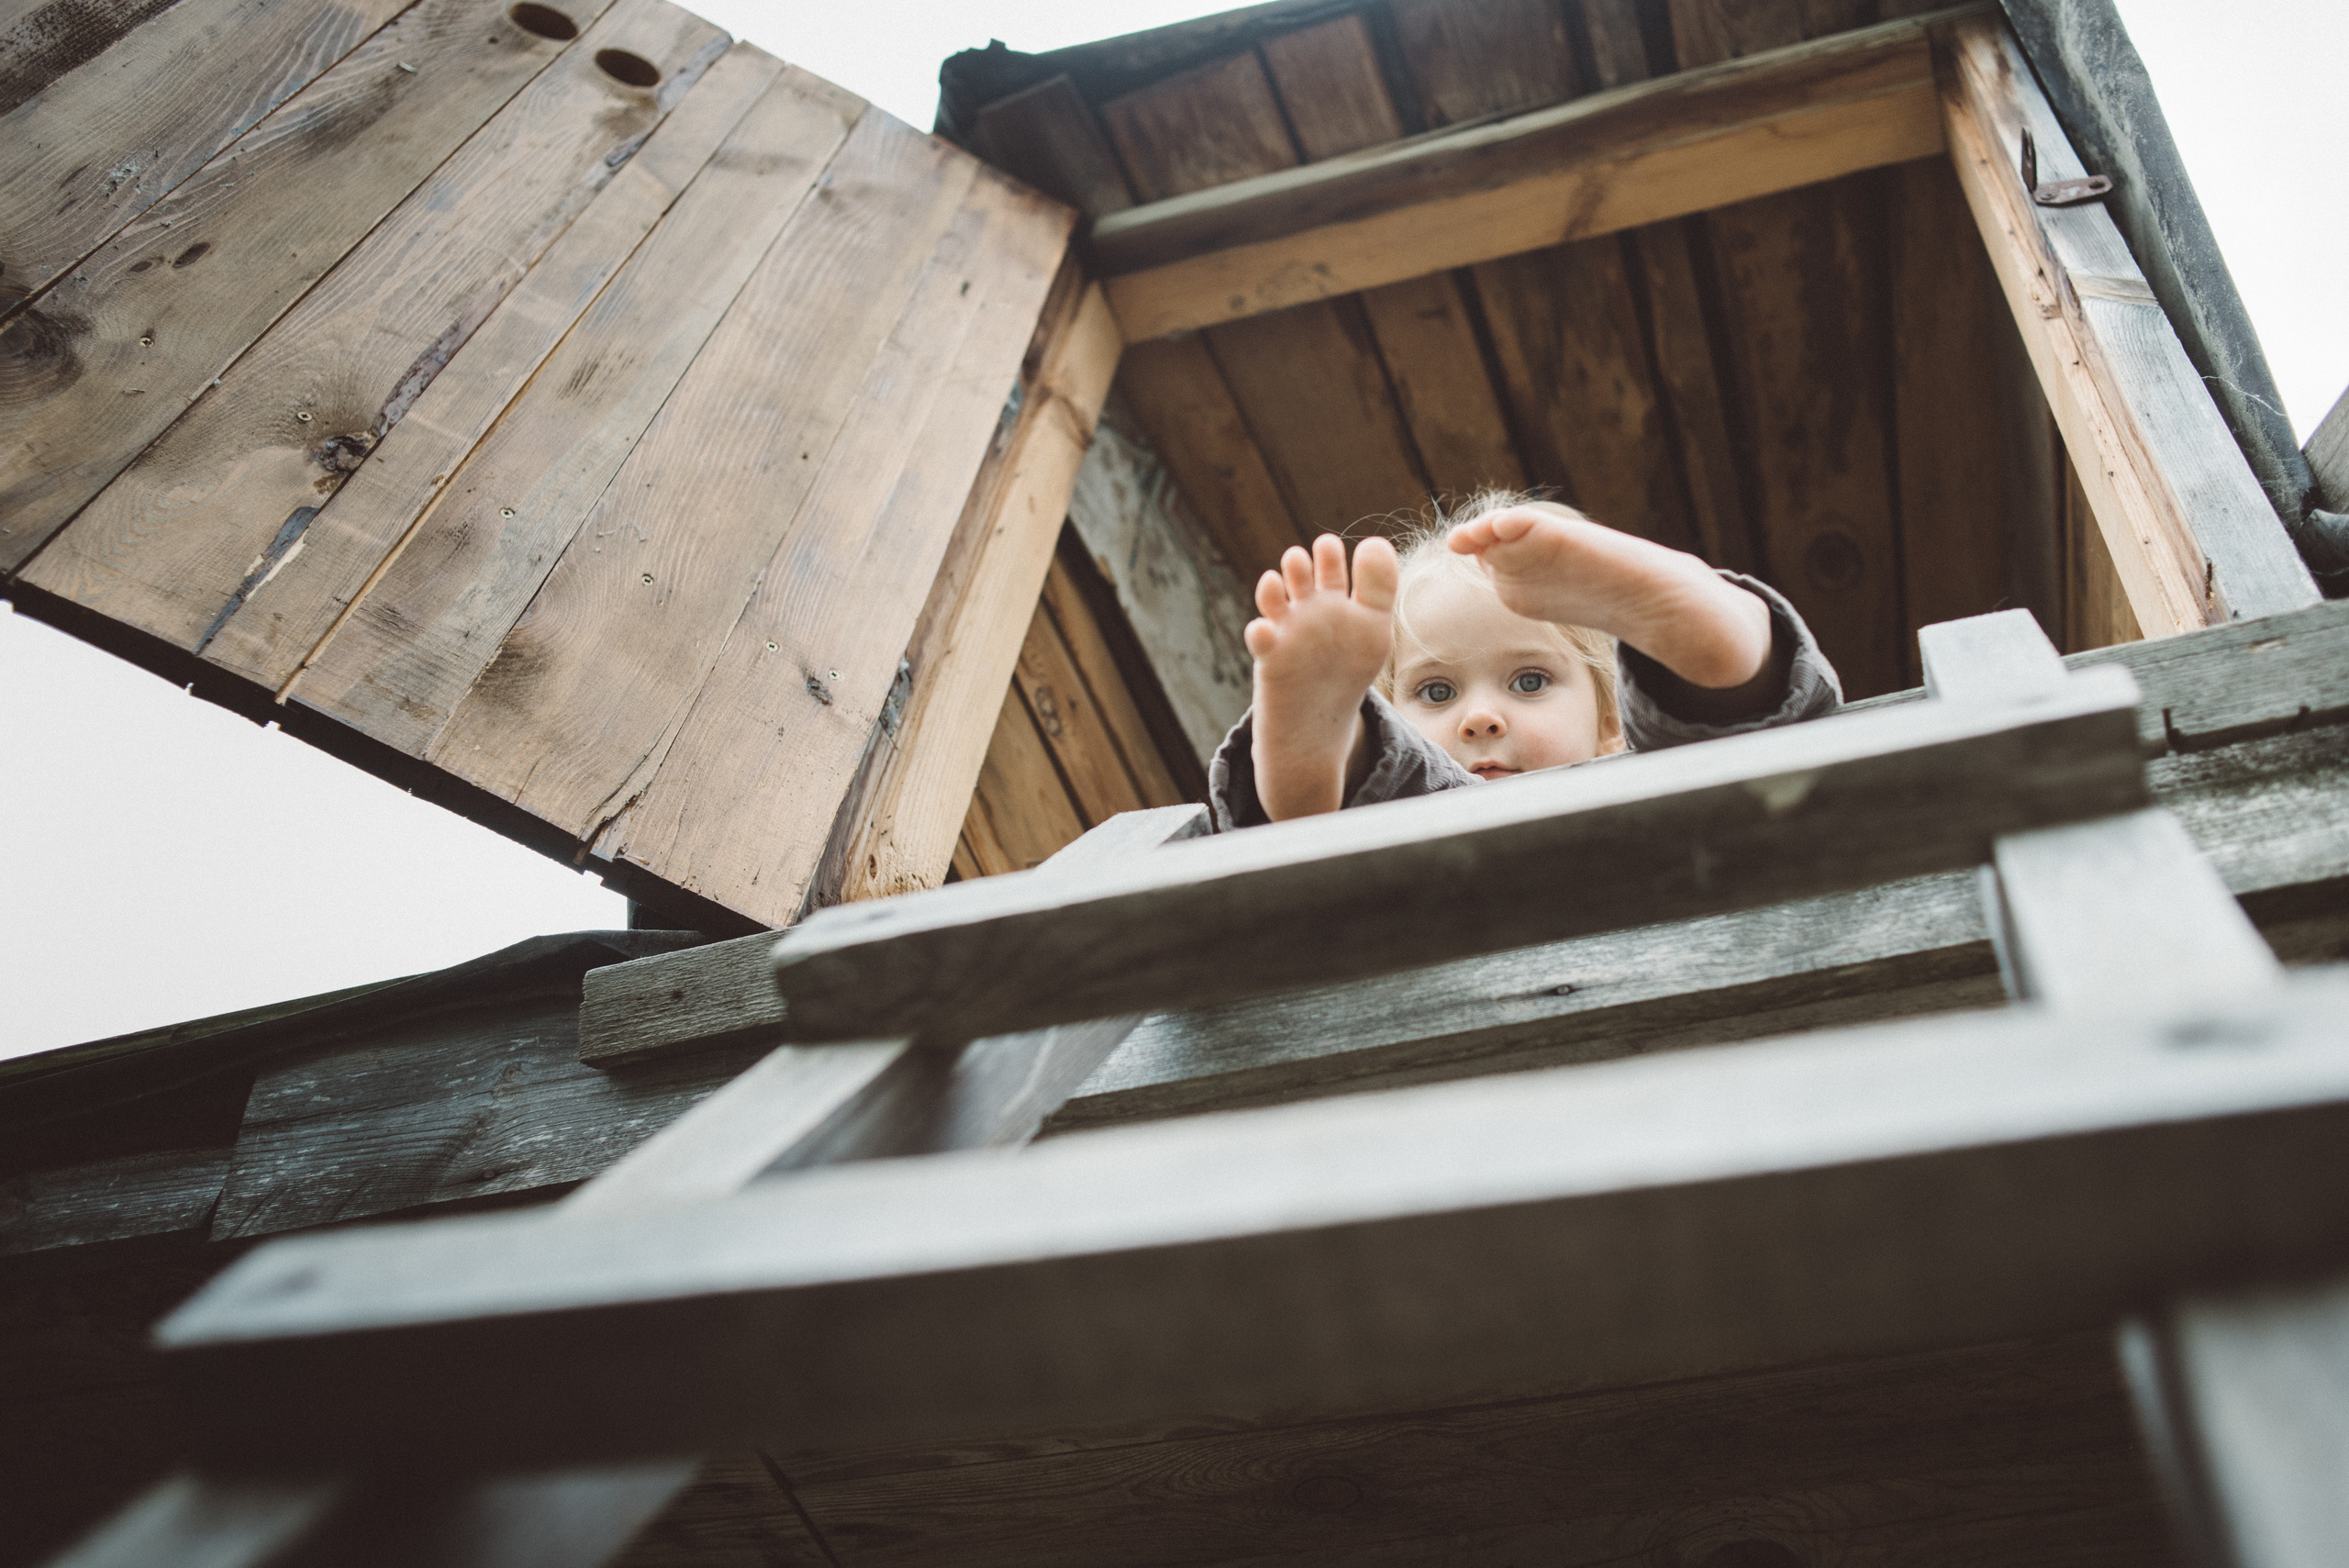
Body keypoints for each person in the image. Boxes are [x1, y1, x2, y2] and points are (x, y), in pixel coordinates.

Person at [1209, 492, 1842, 829]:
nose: (1480, 718)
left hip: (1658, 854)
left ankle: (1711, 653)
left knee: (1707, 765)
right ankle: (1330, 756)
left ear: (1606, 719)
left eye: (1530, 680)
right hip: (1435, 896)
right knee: (1409, 796)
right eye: (1435, 692)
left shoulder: (1628, 758)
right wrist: (1329, 729)